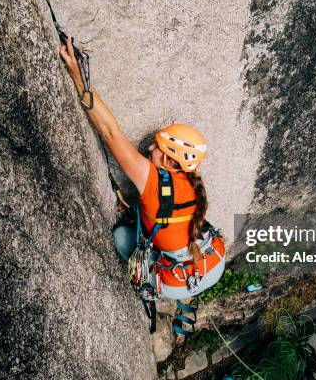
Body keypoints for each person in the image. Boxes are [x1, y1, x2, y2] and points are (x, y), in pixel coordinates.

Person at [59, 37, 225, 300]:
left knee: (122, 237)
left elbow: (110, 132)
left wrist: (78, 77)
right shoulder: (192, 181)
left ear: (171, 162)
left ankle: (152, 289)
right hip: (212, 264)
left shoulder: (154, 181)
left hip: (175, 282)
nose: (149, 150)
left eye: (157, 147)